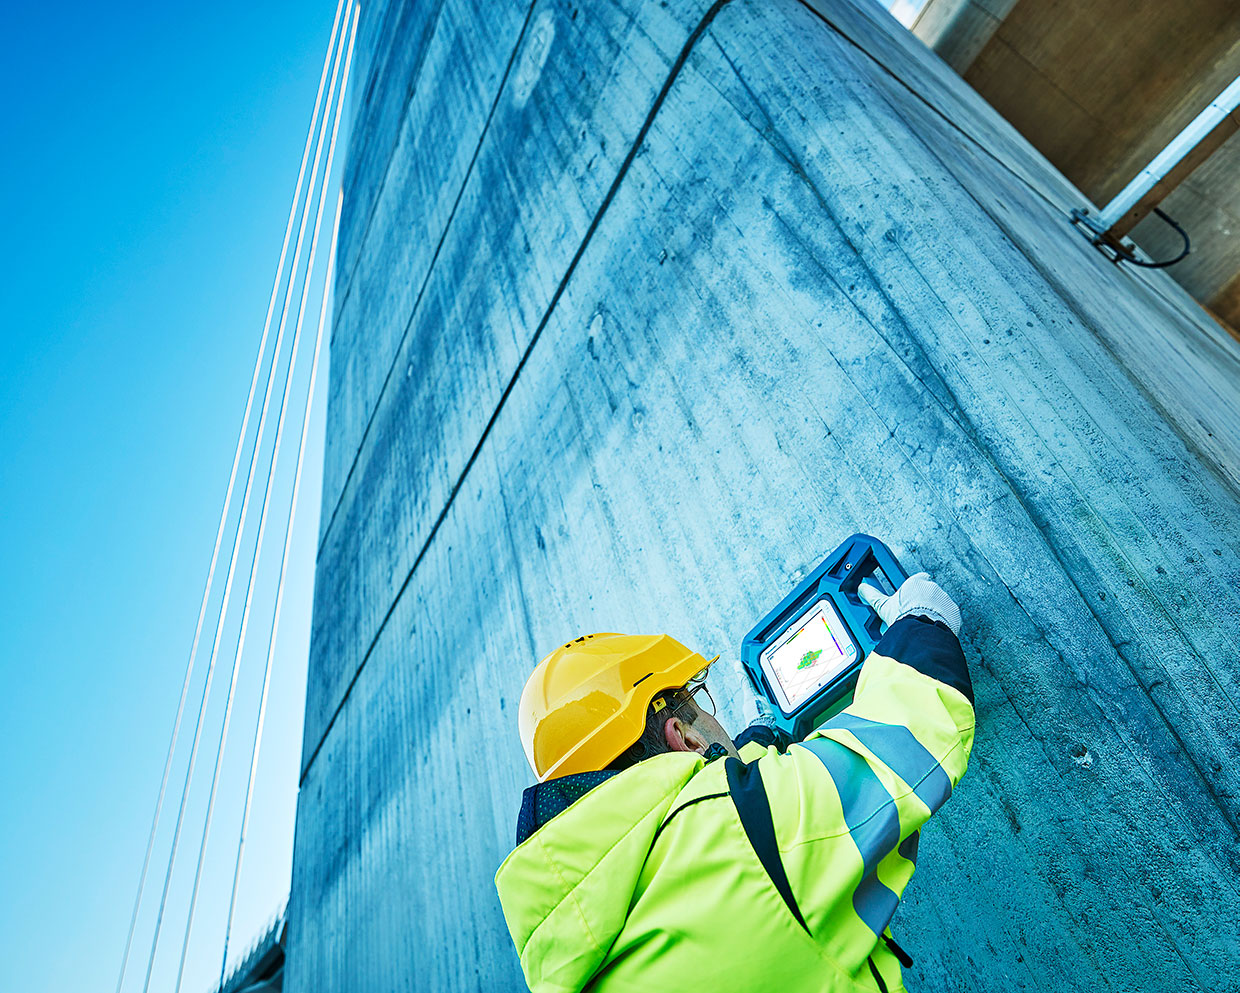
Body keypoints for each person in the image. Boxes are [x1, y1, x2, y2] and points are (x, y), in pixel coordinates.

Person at [495, 573, 974, 993]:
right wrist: (921, 622)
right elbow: (905, 737)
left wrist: (756, 737)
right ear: (681, 735)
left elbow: (695, 812)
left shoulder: (566, 946)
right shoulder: (751, 830)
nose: (709, 712)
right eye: (698, 701)